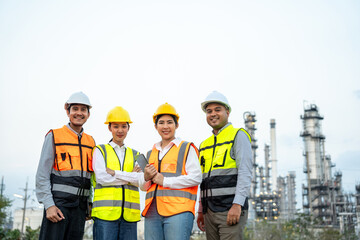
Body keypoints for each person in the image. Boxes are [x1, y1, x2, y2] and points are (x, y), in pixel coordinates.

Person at [36, 91, 95, 240]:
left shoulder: (91, 142)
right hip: (58, 207)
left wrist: (88, 205)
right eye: (75, 109)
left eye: (83, 110)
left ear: (88, 114)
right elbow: (42, 174)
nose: (79, 113)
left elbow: (91, 178)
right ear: (67, 111)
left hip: (80, 210)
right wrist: (49, 205)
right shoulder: (54, 136)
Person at [196, 91, 253, 240]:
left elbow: (245, 173)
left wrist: (237, 205)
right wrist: (201, 210)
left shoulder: (238, 135)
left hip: (229, 209)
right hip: (209, 212)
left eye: (217, 110)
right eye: (209, 111)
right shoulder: (204, 145)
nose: (213, 114)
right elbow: (202, 181)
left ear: (227, 112)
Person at [142, 103, 202, 240]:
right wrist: (145, 178)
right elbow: (143, 186)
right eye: (161, 123)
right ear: (155, 126)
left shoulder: (187, 148)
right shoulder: (150, 153)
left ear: (176, 125)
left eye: (169, 122)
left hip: (179, 211)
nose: (165, 126)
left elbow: (196, 177)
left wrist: (165, 181)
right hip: (152, 212)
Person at [91, 106, 147, 240]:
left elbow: (144, 182)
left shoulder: (137, 155)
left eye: (124, 126)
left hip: (129, 216)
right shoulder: (100, 150)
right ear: (109, 128)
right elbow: (101, 178)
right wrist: (131, 176)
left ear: (129, 128)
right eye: (116, 126)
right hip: (105, 216)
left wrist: (115, 173)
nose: (120, 130)